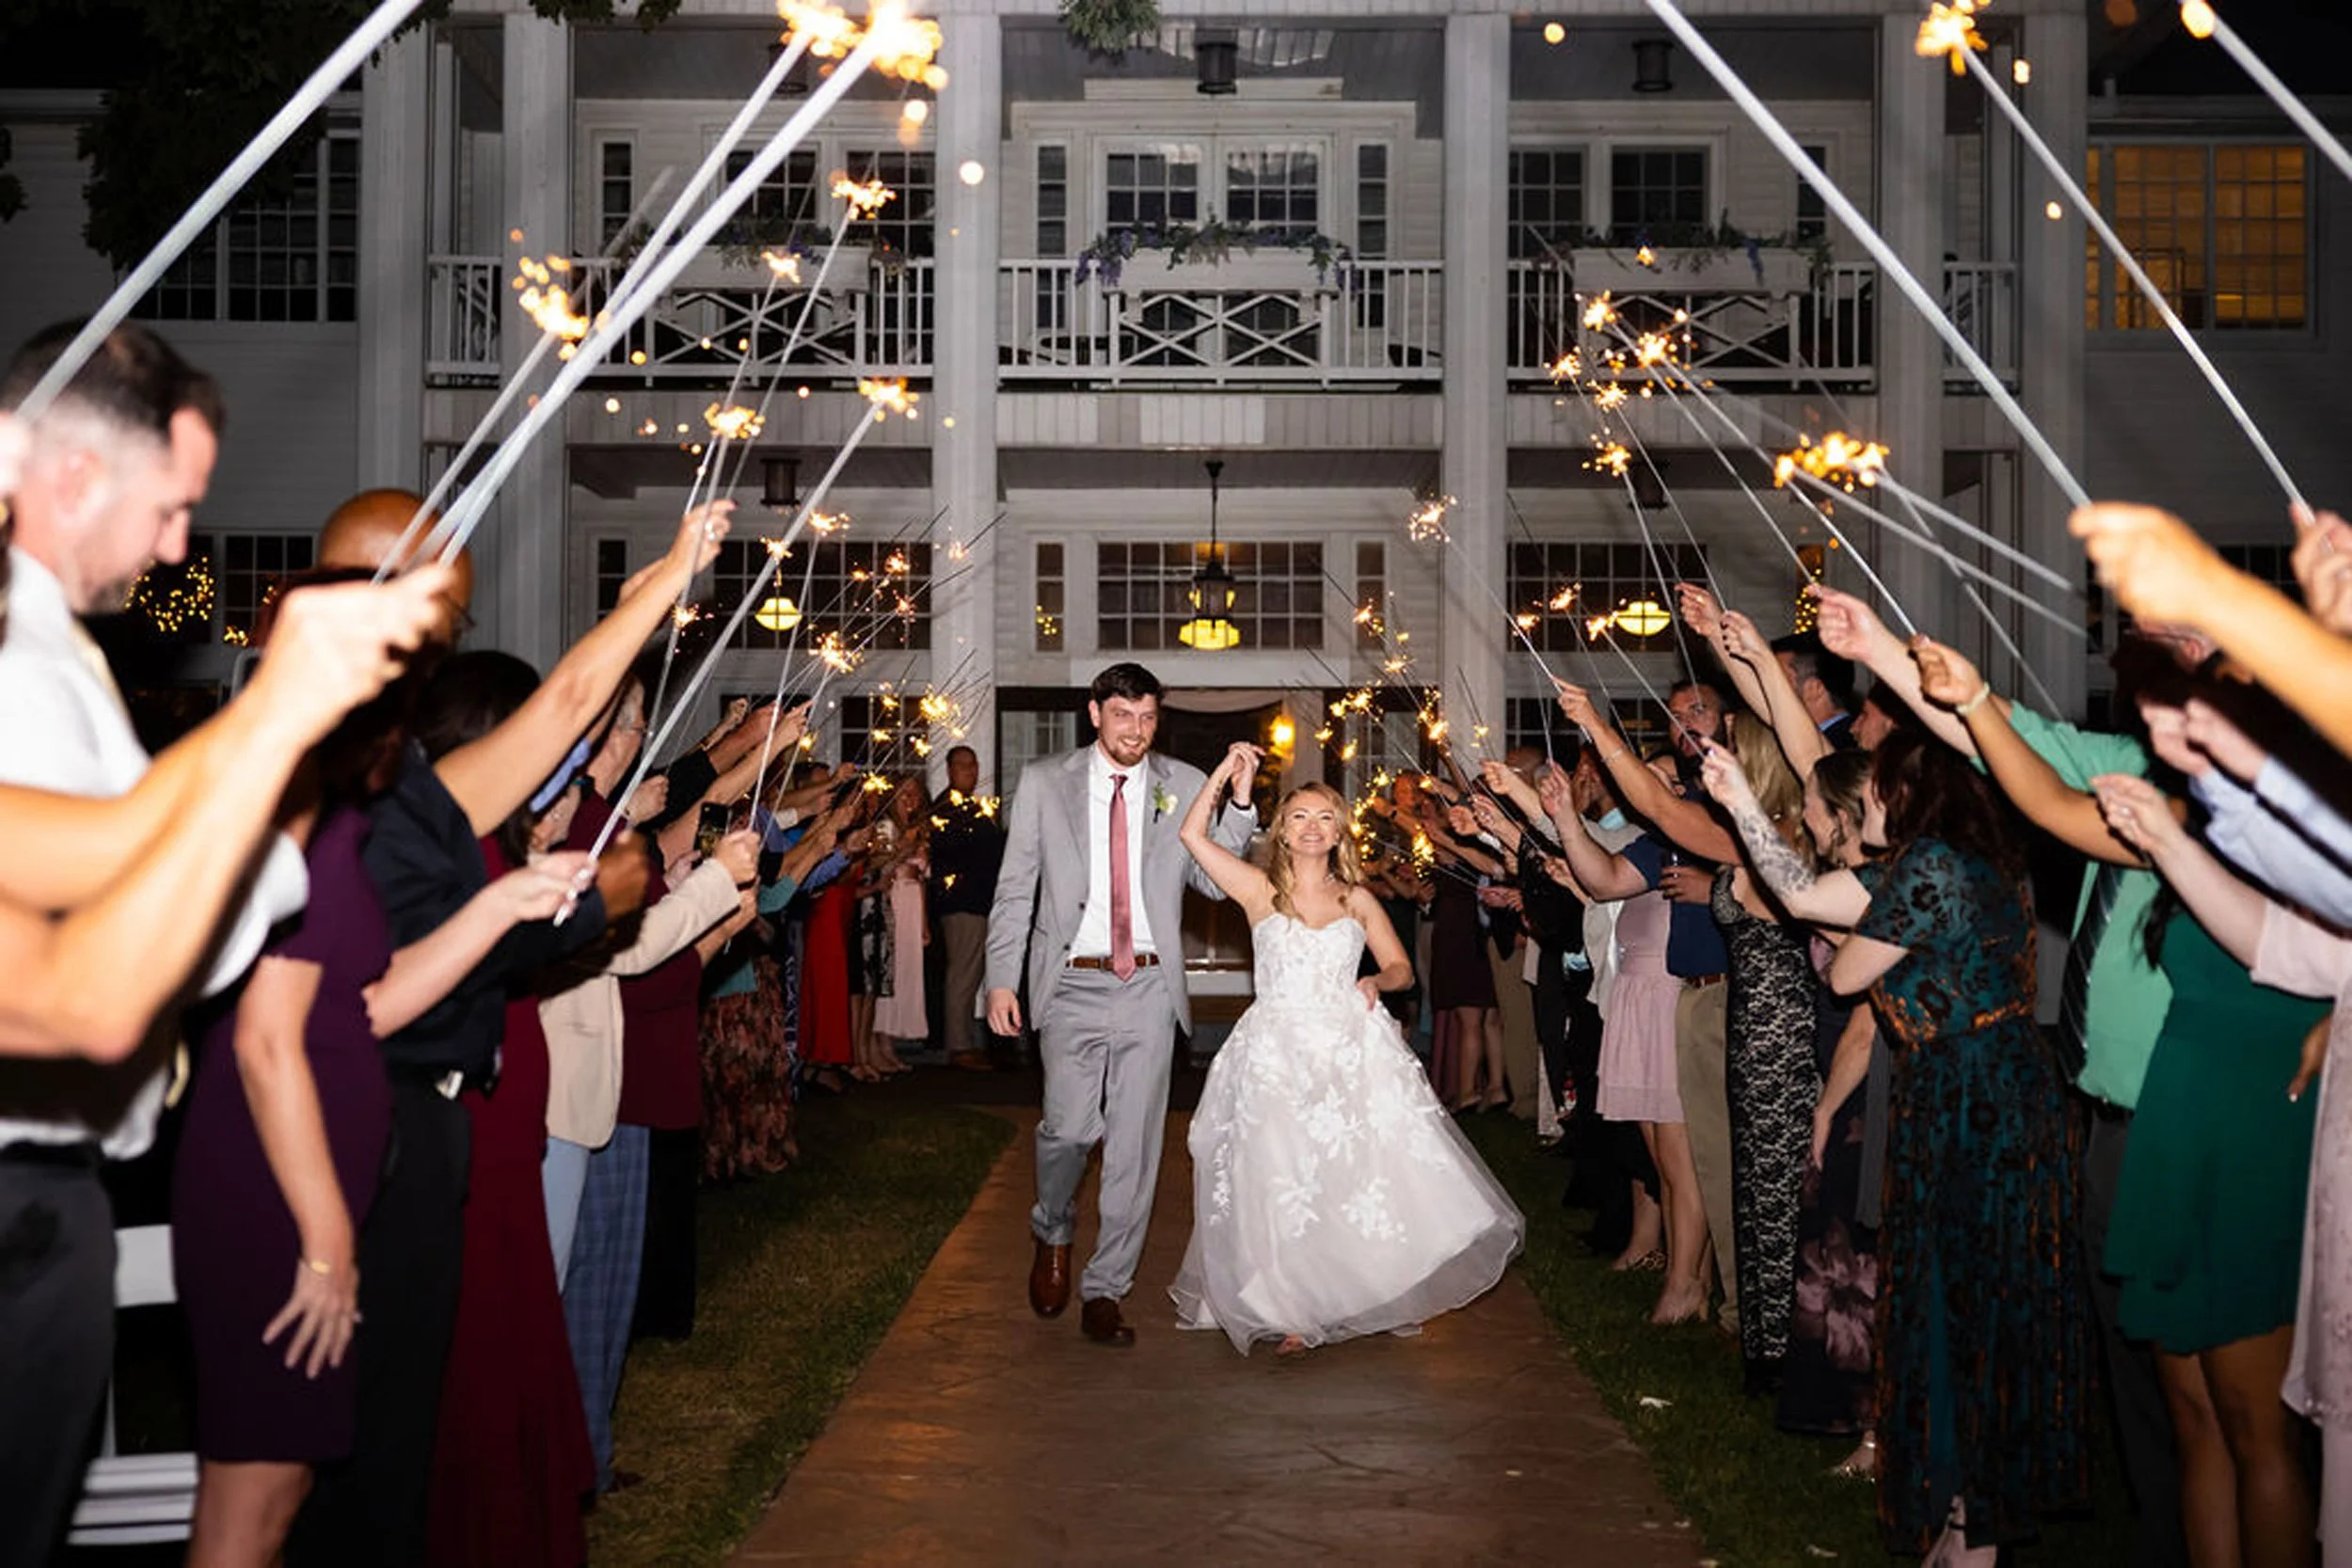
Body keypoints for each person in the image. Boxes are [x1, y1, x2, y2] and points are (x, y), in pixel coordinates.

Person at [0, 323, 436, 1564]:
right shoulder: (17, 667)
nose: (181, 544)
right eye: (173, 505)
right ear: (75, 475)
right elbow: (89, 988)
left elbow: (138, 867)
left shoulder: (67, 660)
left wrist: (298, 750)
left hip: (57, 1207)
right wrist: (286, 712)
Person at [1704, 727, 2090, 1564]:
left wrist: (1740, 804)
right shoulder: (1951, 864)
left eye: (1878, 788)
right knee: (1953, 1311)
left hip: (1976, 1109)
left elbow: (1842, 972)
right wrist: (1739, 801)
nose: (1867, 800)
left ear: (1912, 796)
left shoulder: (1931, 869)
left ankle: (1971, 1533)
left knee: (1965, 1315)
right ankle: (1958, 1521)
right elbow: (1807, 895)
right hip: (1970, 1093)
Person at [1168, 761, 1524, 1354]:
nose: (1311, 828)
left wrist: (1377, 984)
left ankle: (1328, 1300)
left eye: (1325, 818)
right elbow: (1191, 837)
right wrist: (1226, 776)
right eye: (1299, 817)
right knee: (1279, 1177)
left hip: (1344, 1049)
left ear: (1339, 833)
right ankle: (1284, 1304)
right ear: (1280, 830)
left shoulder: (1356, 897)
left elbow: (1401, 967)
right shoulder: (1259, 890)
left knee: (1337, 1176)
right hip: (1274, 1053)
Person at [985, 662, 1259, 1347]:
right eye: (1122, 716)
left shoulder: (1185, 784)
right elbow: (1016, 887)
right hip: (1070, 981)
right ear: (1095, 713)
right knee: (1069, 1131)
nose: (1136, 731)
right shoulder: (1046, 782)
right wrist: (1000, 979)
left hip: (1148, 986)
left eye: (1147, 717)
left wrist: (1243, 807)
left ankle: (1106, 1288)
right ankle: (1053, 1225)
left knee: (1135, 1145)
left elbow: (1214, 882)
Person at [929, 745, 1008, 1070]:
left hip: (977, 900)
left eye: (974, 766)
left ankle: (964, 1042)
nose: (970, 772)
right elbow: (959, 855)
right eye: (963, 766)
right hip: (962, 901)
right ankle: (959, 1044)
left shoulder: (971, 808)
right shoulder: (948, 809)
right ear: (950, 770)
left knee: (969, 973)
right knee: (962, 974)